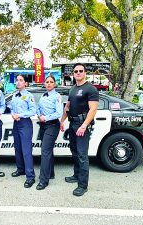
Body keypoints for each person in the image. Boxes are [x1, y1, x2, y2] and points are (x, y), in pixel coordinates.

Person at [60, 63, 99, 196]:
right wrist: (62, 121)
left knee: (82, 155)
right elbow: (68, 107)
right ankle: (76, 175)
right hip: (73, 124)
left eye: (80, 71)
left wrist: (84, 125)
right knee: (75, 152)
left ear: (85, 73)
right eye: (76, 71)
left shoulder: (91, 89)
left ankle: (83, 185)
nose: (78, 73)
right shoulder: (73, 89)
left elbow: (93, 109)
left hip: (82, 125)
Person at [36, 75, 63, 190]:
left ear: (55, 84)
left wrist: (45, 117)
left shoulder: (57, 96)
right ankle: (50, 173)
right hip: (43, 125)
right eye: (47, 82)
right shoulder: (43, 95)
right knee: (48, 150)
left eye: (51, 82)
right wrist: (39, 114)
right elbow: (38, 108)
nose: (49, 84)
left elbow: (58, 113)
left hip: (52, 125)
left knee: (45, 152)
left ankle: (43, 180)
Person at [10, 74, 36, 188]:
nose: (18, 82)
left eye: (21, 80)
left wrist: (19, 115)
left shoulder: (29, 96)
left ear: (25, 83)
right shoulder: (15, 95)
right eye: (17, 80)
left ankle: (30, 176)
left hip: (25, 124)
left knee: (26, 151)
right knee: (18, 148)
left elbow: (33, 111)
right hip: (16, 124)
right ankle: (20, 169)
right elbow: (11, 108)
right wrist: (13, 115)